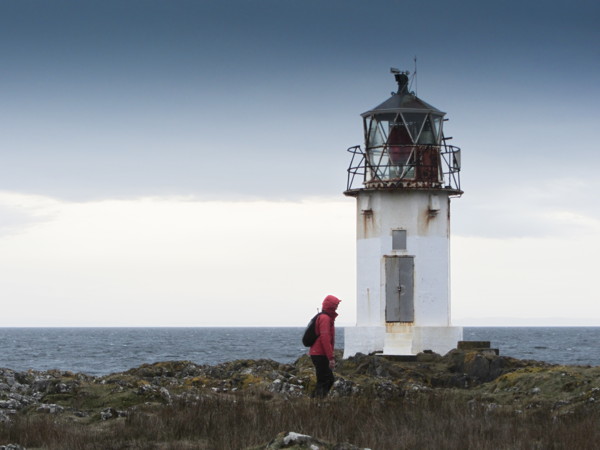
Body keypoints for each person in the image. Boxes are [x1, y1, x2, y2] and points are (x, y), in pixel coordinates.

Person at [309, 294, 341, 398]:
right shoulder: (325, 318)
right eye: (335, 305)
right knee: (325, 380)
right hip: (320, 354)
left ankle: (315, 401)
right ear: (330, 306)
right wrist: (330, 357)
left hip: (318, 353)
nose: (337, 307)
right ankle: (316, 403)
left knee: (326, 379)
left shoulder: (325, 317)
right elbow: (325, 338)